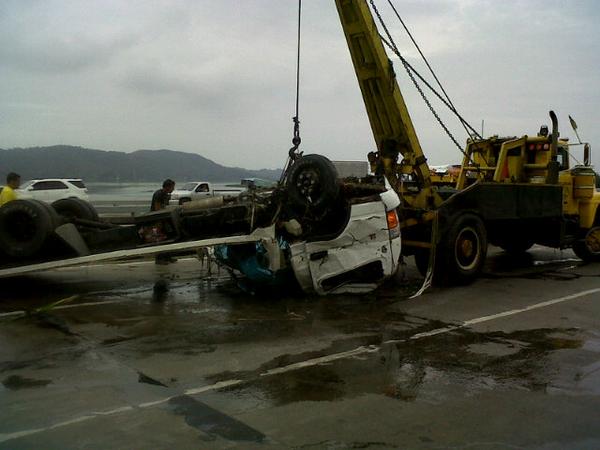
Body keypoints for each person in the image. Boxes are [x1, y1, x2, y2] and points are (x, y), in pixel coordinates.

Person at [151, 178, 176, 265]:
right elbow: (157, 209)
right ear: (168, 187)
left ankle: (167, 256)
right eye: (172, 187)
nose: (173, 189)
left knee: (169, 236)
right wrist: (160, 222)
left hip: (164, 218)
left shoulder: (166, 195)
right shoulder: (159, 194)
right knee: (160, 238)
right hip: (157, 219)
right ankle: (159, 259)